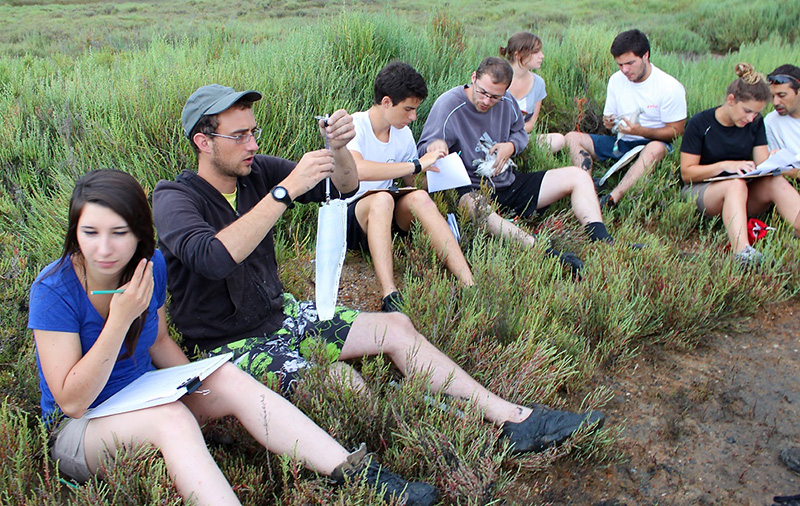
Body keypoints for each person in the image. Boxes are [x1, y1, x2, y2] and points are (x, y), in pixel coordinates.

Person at [152, 84, 605, 460]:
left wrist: (337, 149)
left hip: (281, 315)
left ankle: (509, 419)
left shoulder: (256, 173)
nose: (252, 144)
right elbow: (211, 257)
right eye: (239, 136)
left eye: (254, 132)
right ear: (203, 141)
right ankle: (427, 448)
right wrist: (284, 192)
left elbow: (344, 184)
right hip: (226, 343)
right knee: (344, 383)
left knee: (397, 326)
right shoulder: (173, 198)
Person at [29, 169, 438, 506]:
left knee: (225, 377)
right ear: (75, 232)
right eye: (90, 232)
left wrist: (199, 387)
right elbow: (72, 401)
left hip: (144, 395)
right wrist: (118, 322)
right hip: (80, 430)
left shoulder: (147, 265)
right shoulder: (54, 288)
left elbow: (158, 343)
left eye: (118, 232)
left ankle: (354, 471)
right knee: (171, 419)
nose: (104, 248)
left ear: (139, 233)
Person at [416, 57, 617, 272]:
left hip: (509, 182)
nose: (486, 100)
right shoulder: (449, 104)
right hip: (471, 187)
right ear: (473, 78)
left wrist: (511, 146)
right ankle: (543, 251)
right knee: (474, 207)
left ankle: (602, 240)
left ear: (505, 91)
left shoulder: (507, 102)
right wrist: (436, 147)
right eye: (482, 92)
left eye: (494, 96)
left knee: (578, 176)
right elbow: (425, 146)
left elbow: (520, 133)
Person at [345, 61, 474, 312]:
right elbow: (358, 170)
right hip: (352, 216)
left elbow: (412, 183)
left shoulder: (402, 133)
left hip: (384, 215)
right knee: (382, 198)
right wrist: (415, 165)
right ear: (385, 102)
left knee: (418, 199)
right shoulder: (355, 126)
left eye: (415, 110)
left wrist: (436, 163)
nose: (413, 117)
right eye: (408, 109)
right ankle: (389, 293)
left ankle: (469, 283)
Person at [679, 63, 800, 266]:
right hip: (703, 191)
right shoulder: (701, 122)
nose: (751, 118)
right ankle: (742, 252)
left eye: (756, 113)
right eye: (747, 111)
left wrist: (774, 161)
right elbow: (687, 173)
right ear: (731, 100)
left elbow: (762, 165)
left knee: (774, 180)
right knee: (734, 184)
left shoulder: (755, 122)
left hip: (743, 191)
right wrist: (725, 165)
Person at [564, 29, 686, 208]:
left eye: (630, 63)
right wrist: (609, 122)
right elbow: (609, 118)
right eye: (620, 65)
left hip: (652, 143)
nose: (625, 70)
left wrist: (640, 131)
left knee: (655, 149)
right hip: (622, 141)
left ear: (646, 55)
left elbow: (676, 131)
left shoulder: (669, 87)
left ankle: (612, 199)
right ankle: (587, 189)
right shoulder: (616, 80)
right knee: (572, 138)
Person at [500, 31, 565, 153]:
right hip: (494, 136)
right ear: (518, 54)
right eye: (536, 52)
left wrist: (515, 135)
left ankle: (518, 152)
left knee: (559, 139)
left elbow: (531, 123)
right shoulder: (498, 78)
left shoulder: (538, 83)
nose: (542, 56)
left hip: (519, 138)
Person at [765, 65, 800, 177]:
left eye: (782, 95)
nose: (775, 102)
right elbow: (775, 166)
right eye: (772, 96)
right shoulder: (771, 121)